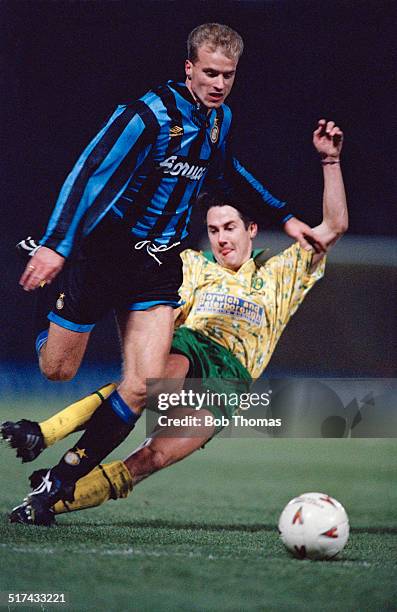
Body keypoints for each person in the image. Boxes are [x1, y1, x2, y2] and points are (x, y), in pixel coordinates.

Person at [7, 23, 321, 517]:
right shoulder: (146, 115)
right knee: (57, 369)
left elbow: (227, 171)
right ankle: (58, 312)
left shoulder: (220, 121)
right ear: (189, 68)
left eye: (229, 76)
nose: (219, 84)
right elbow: (88, 174)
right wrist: (56, 246)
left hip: (158, 267)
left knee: (142, 384)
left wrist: (283, 214)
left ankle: (56, 486)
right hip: (105, 256)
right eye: (211, 73)